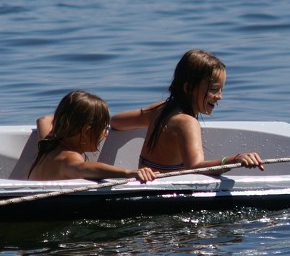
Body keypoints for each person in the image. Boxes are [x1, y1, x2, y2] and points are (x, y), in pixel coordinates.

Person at [111, 49, 264, 174]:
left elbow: (116, 121)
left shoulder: (160, 109)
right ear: (188, 88)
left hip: (146, 185)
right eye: (214, 89)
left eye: (221, 90)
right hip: (164, 194)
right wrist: (234, 159)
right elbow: (195, 167)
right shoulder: (187, 123)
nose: (219, 97)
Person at [29, 90, 157, 182]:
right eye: (102, 128)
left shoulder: (47, 143)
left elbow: (43, 119)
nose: (106, 133)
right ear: (86, 131)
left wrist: (70, 115)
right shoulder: (69, 158)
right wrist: (128, 172)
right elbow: (82, 169)